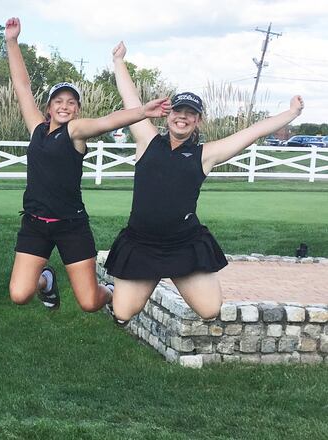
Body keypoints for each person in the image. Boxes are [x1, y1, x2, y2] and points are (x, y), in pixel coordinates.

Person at [104, 41, 305, 325]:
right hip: (142, 243)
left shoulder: (205, 154)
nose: (182, 117)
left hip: (183, 243)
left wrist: (292, 114)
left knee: (210, 309)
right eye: (178, 111)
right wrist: (118, 61)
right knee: (123, 312)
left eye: (190, 114)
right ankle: (120, 290)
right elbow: (131, 101)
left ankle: (162, 275)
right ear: (168, 114)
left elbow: (251, 132)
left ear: (197, 120)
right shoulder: (147, 139)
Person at [3, 17, 171, 313]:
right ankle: (46, 279)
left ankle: (108, 290)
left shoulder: (75, 131)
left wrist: (142, 111)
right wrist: (12, 41)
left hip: (71, 226)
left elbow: (107, 121)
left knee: (90, 302)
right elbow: (22, 85)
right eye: (59, 101)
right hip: (34, 224)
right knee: (19, 294)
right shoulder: (37, 129)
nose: (64, 106)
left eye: (71, 102)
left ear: (77, 109)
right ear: (49, 107)